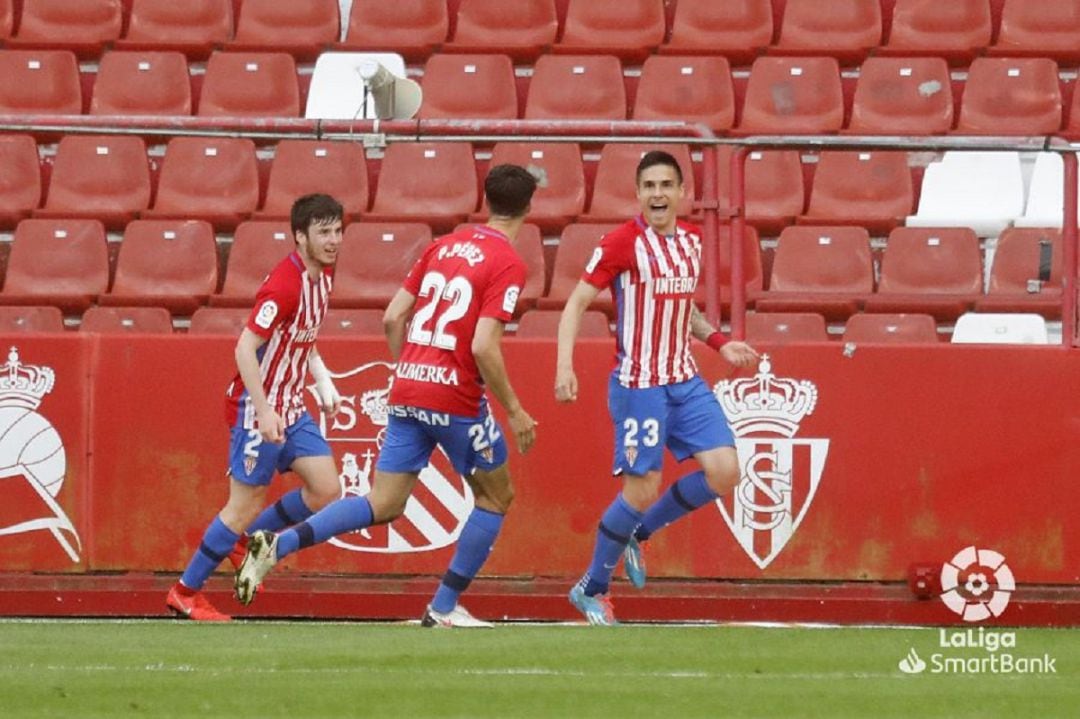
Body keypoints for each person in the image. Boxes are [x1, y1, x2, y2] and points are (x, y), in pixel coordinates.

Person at [235, 164, 539, 628]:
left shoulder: (444, 244)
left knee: (383, 505)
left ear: (487, 199)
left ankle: (280, 544)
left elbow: (393, 317)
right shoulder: (509, 262)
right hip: (455, 397)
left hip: (407, 386)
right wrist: (514, 409)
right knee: (497, 498)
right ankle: (443, 608)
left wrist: (411, 368)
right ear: (528, 208)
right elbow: (482, 344)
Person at [555, 150, 759, 625]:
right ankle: (592, 587)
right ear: (638, 193)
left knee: (726, 471)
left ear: (682, 192)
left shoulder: (689, 242)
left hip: (684, 378)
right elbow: (576, 304)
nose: (658, 194)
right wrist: (564, 366)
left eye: (667, 185)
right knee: (642, 488)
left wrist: (719, 342)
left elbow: (680, 308)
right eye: (649, 186)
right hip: (640, 384)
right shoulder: (622, 243)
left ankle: (637, 534)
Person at [165, 193, 345, 621]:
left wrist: (323, 380)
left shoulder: (323, 276)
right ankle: (184, 592)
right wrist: (263, 410)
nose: (334, 240)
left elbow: (305, 335)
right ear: (300, 237)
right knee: (241, 505)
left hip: (291, 404)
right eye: (324, 232)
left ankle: (247, 539)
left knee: (326, 489)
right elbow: (245, 347)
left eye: (338, 230)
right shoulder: (285, 283)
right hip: (256, 407)